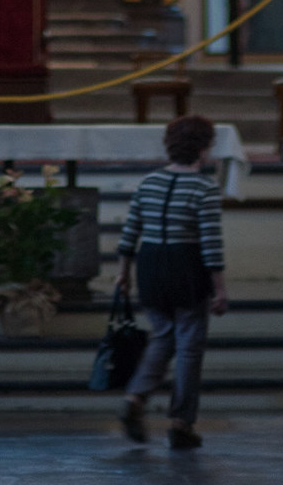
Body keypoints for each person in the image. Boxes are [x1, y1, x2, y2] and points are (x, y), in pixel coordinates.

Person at [115, 112, 229, 449]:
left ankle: (135, 398)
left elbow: (130, 232)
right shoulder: (204, 188)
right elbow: (210, 243)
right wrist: (220, 288)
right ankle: (181, 423)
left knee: (163, 337)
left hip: (150, 264)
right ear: (204, 148)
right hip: (186, 265)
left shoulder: (149, 182)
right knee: (190, 348)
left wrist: (123, 273)